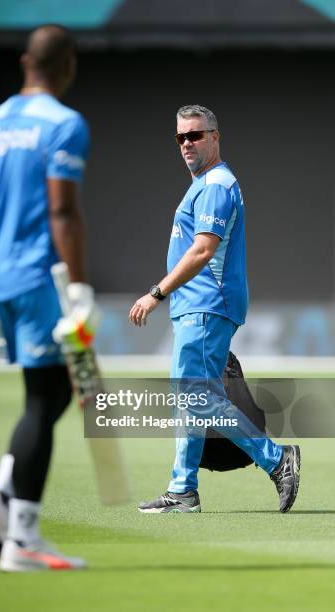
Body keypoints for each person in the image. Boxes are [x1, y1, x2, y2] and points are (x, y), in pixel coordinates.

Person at [129, 105, 300, 514]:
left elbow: (204, 250)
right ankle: (183, 491)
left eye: (196, 135)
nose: (188, 143)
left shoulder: (216, 186)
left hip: (206, 305)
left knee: (197, 396)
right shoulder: (206, 184)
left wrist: (156, 292)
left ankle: (277, 460)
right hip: (199, 306)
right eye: (181, 137)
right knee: (190, 398)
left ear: (215, 137)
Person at [0, 24, 94, 571]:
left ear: (25, 62)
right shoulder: (64, 124)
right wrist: (80, 288)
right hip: (42, 277)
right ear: (67, 66)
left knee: (54, 393)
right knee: (44, 400)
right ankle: (21, 538)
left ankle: (0, 495)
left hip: (0, 276)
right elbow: (62, 211)